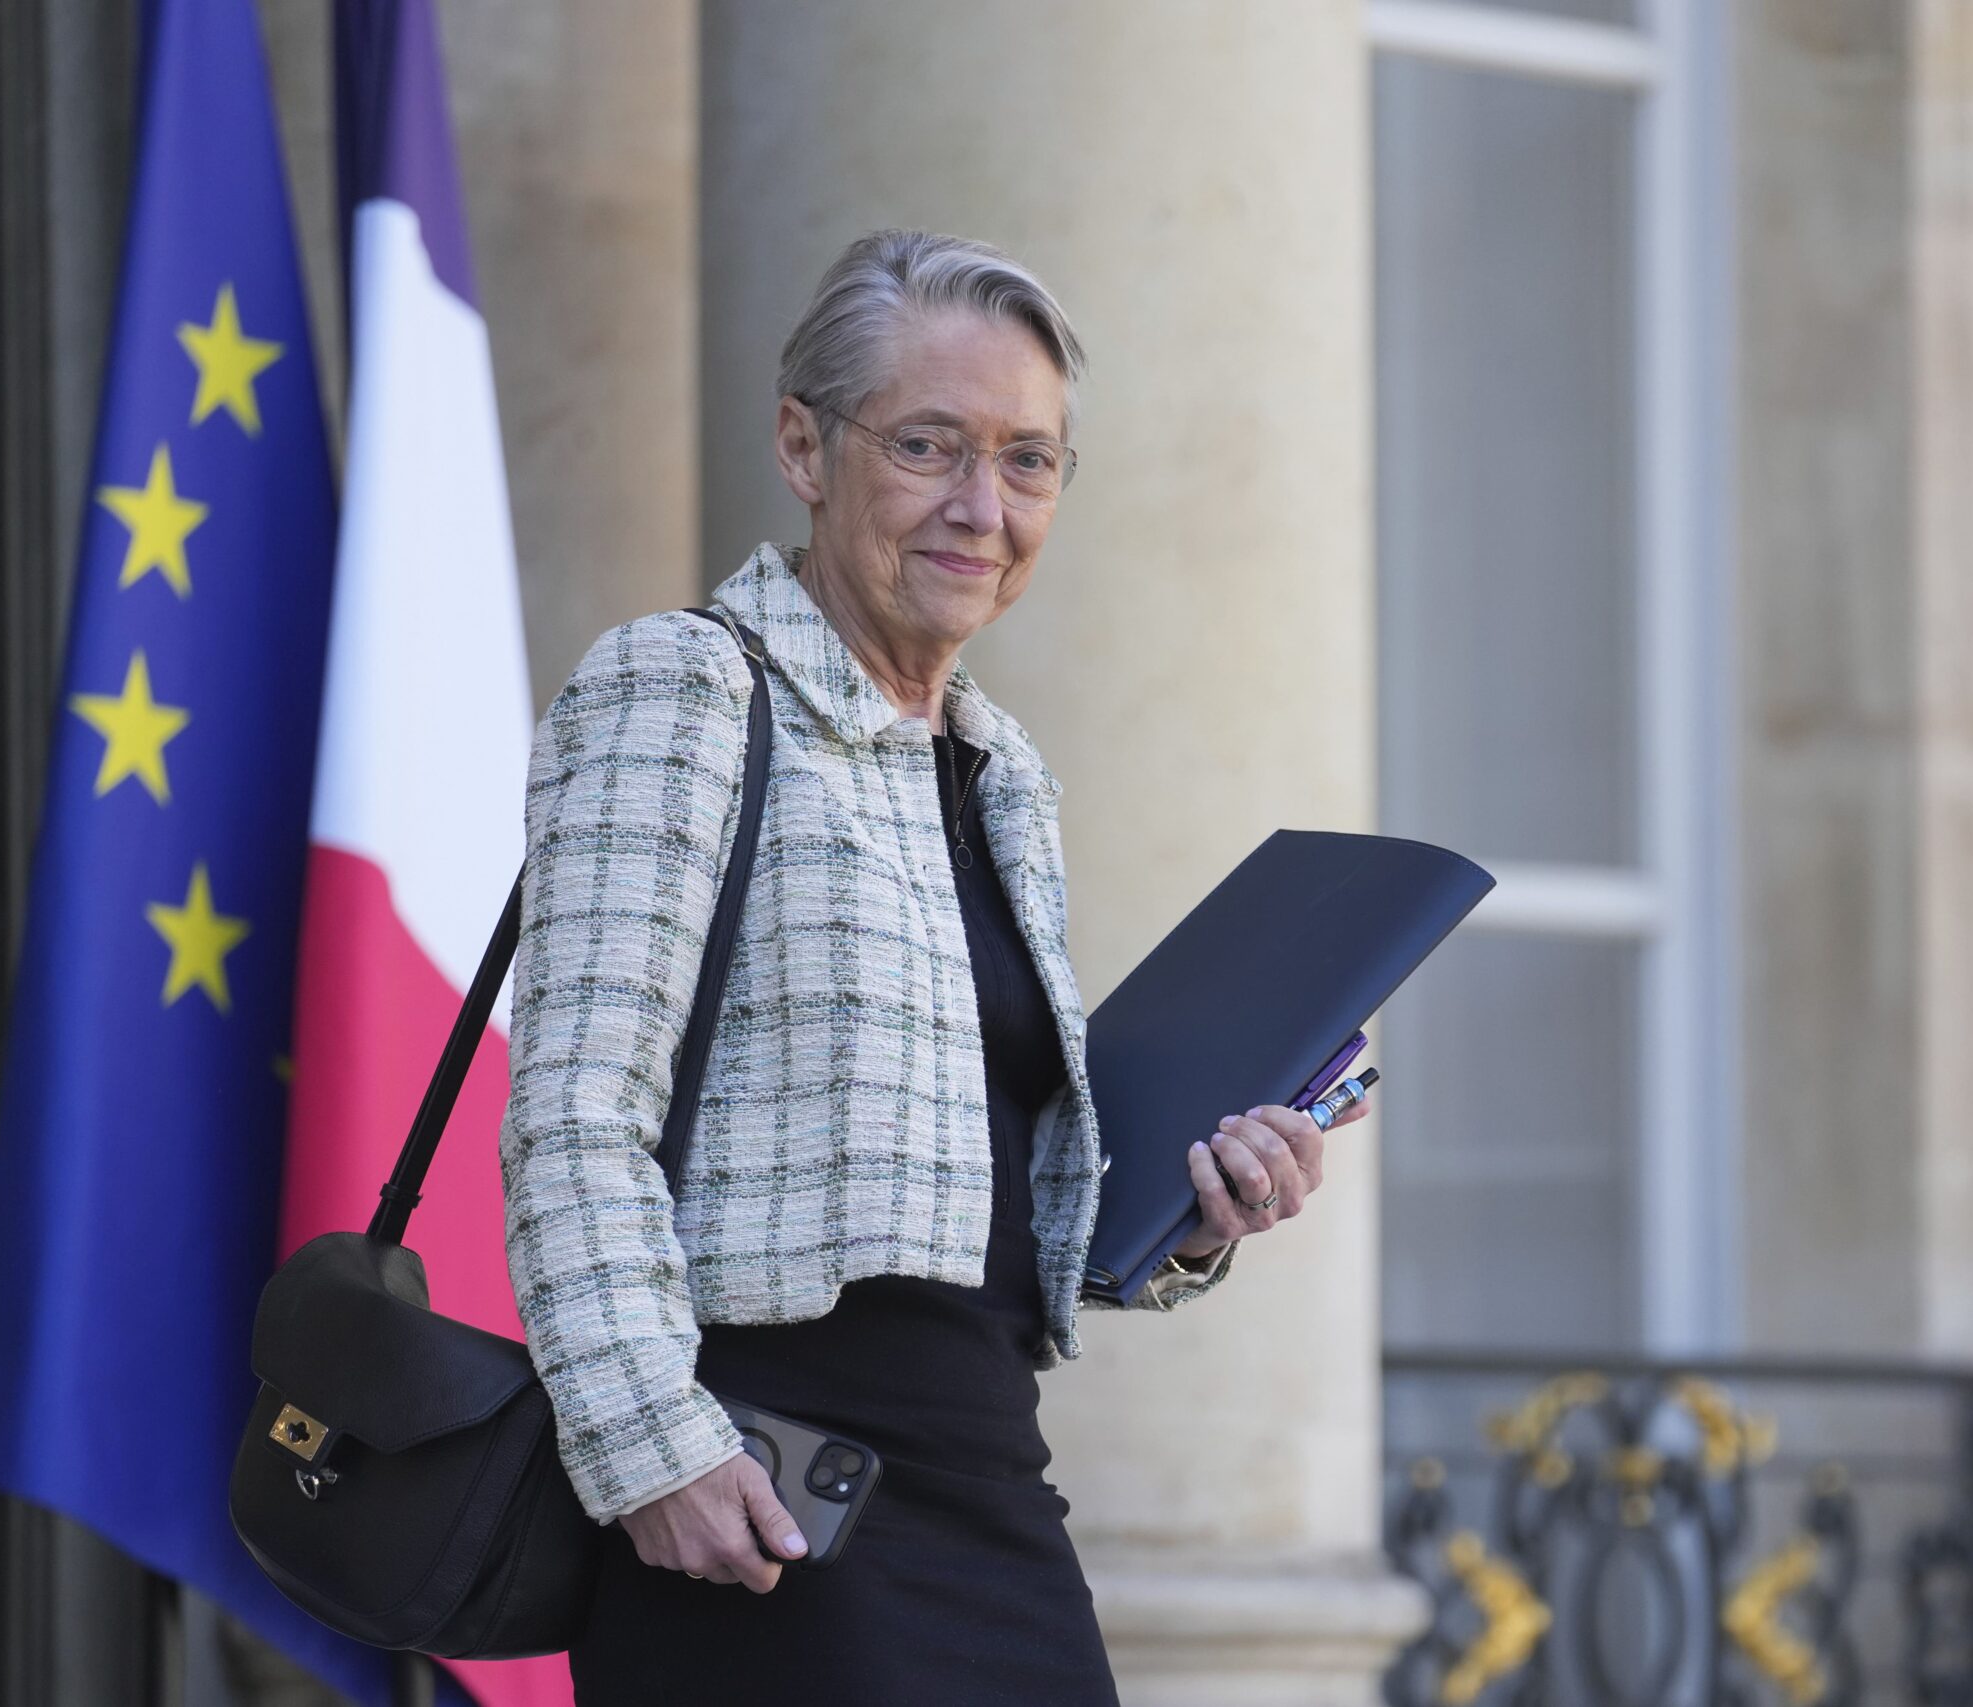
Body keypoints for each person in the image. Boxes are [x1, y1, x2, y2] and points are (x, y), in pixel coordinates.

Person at [500, 228, 1373, 1705]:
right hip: (762, 1495)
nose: (985, 508)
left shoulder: (996, 766)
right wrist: (656, 1447)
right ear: (803, 445)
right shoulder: (685, 686)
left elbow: (997, 1200)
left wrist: (1202, 1212)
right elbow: (574, 1112)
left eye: (1030, 462)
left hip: (980, 1470)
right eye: (929, 447)